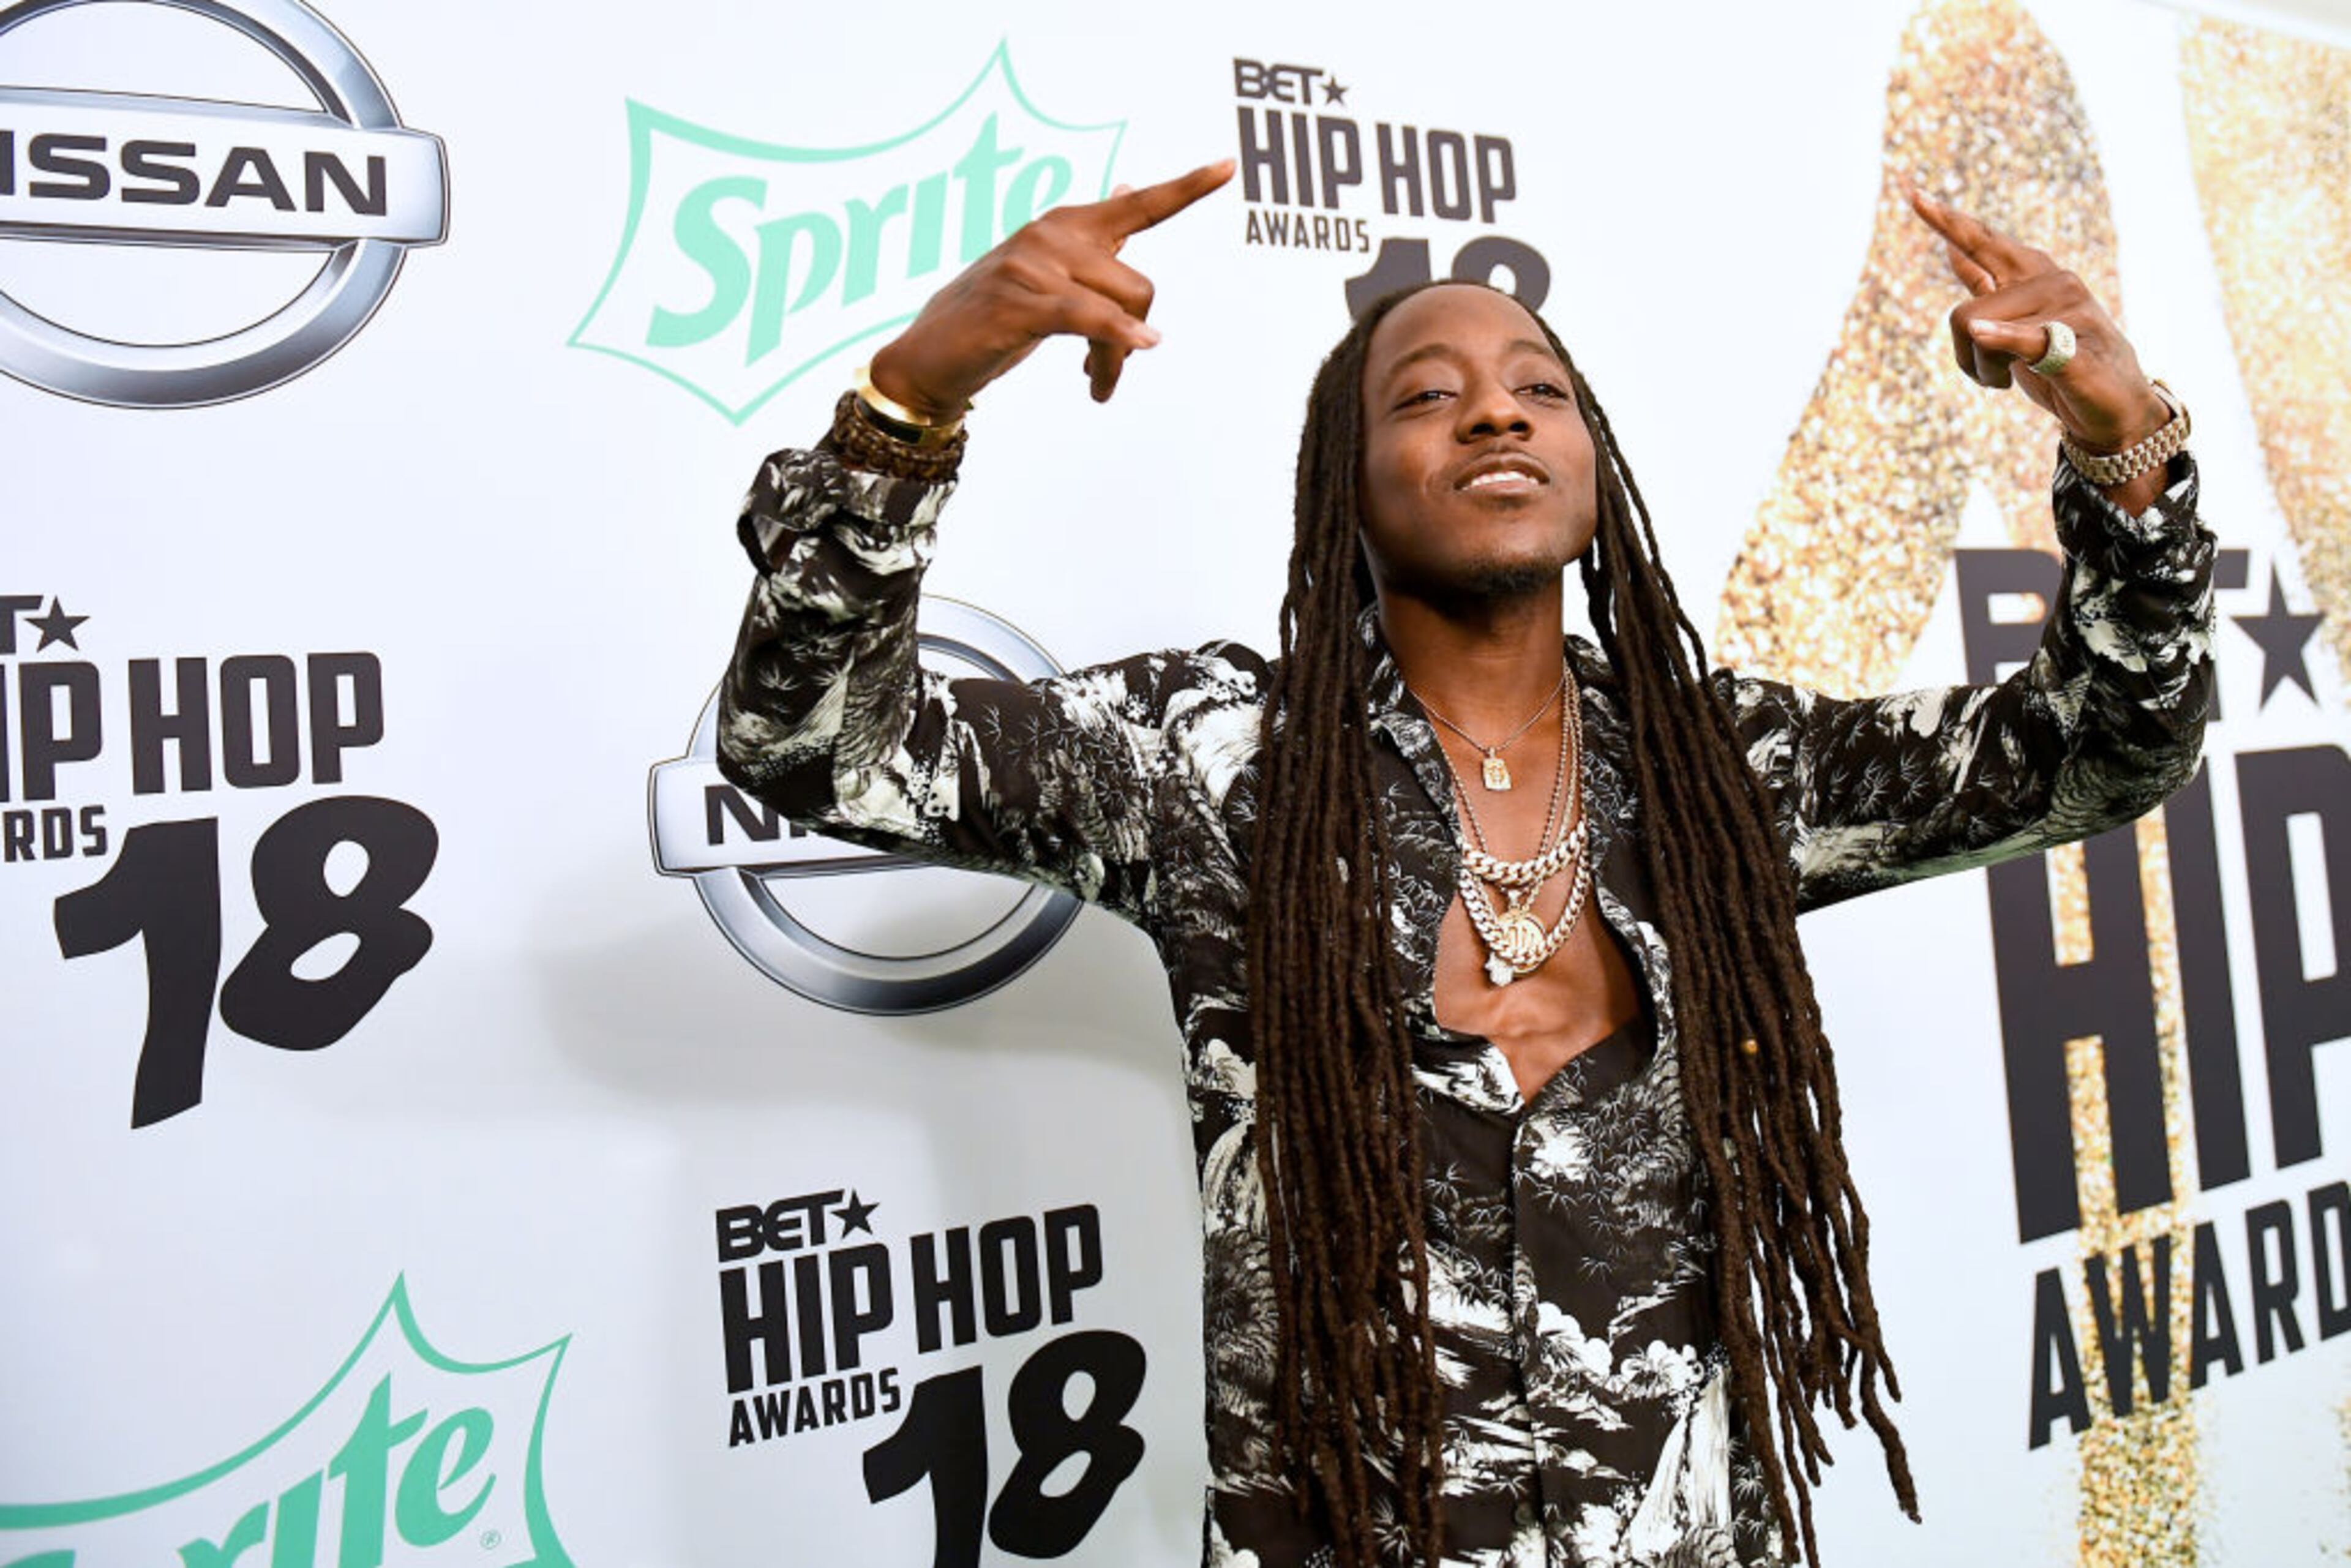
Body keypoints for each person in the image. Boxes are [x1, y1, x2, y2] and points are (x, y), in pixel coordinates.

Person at [713, 160, 2213, 1568]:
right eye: (1428, 398)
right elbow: (816, 746)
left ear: (1590, 463)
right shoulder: (1208, 761)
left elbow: (2094, 753)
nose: (1498, 418)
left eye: (1539, 393)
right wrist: (910, 400)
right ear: (1345, 486)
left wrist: (2124, 446)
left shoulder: (1720, 775)